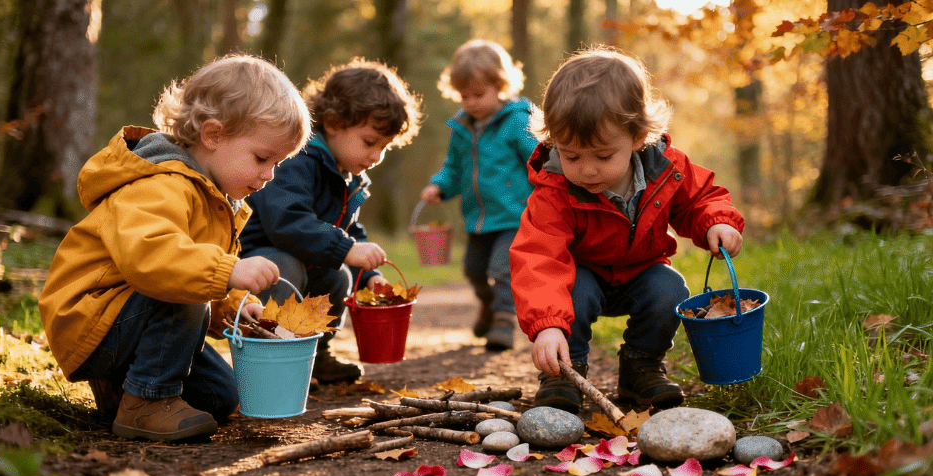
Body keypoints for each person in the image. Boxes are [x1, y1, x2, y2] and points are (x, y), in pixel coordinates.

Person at [38, 54, 312, 442]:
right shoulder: (160, 182)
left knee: (221, 397)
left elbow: (199, 276)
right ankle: (145, 403)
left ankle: (123, 388)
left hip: (134, 317)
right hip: (91, 318)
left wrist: (235, 307)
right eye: (262, 158)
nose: (268, 176)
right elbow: (153, 260)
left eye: (277, 164)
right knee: (185, 290)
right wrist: (227, 272)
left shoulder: (216, 200)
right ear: (213, 135)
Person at [510, 46, 745, 413]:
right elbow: (538, 257)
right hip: (582, 277)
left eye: (603, 156)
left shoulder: (667, 167)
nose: (587, 170)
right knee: (576, 290)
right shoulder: (554, 191)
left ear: (637, 137)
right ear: (554, 139)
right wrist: (547, 324)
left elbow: (700, 199)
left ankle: (641, 367)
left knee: (669, 289)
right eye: (571, 155)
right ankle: (564, 372)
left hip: (641, 272)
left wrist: (717, 221)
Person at [238, 58, 422, 384]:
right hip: (258, 260)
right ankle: (268, 356)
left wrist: (370, 276)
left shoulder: (349, 178)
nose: (376, 156)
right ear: (334, 123)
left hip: (304, 260)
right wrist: (347, 248)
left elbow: (350, 233)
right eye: (369, 142)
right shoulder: (298, 158)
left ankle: (315, 354)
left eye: (384, 147)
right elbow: (287, 222)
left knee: (339, 277)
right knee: (284, 269)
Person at [419, 39, 538, 351]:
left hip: (513, 214)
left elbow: (536, 158)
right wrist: (440, 186)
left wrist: (549, 188)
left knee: (502, 268)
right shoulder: (462, 128)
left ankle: (504, 320)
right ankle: (488, 305)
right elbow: (454, 169)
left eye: (479, 94)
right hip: (478, 219)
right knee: (473, 269)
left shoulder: (517, 121)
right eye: (464, 95)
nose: (471, 102)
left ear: (499, 86)